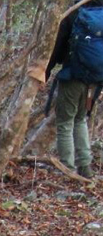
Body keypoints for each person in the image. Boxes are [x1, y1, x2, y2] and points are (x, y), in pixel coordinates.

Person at [45, 0, 103, 180]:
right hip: (93, 80)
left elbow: (58, 45)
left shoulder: (74, 13)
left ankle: (66, 168)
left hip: (72, 75)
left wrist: (46, 70)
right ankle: (85, 167)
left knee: (65, 122)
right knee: (80, 120)